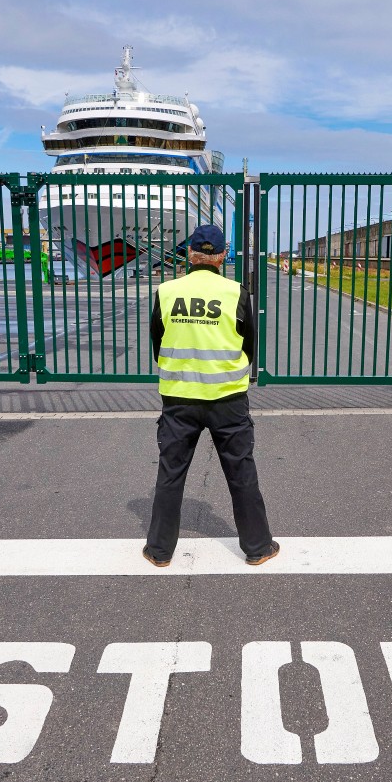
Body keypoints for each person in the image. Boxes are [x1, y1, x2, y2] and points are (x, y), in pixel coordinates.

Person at [143, 224, 279, 567]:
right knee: (241, 472)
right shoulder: (238, 293)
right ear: (222, 256)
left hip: (179, 398)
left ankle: (159, 551)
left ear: (190, 253)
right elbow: (250, 347)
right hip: (228, 400)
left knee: (170, 473)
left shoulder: (167, 291)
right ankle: (258, 547)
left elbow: (157, 343)